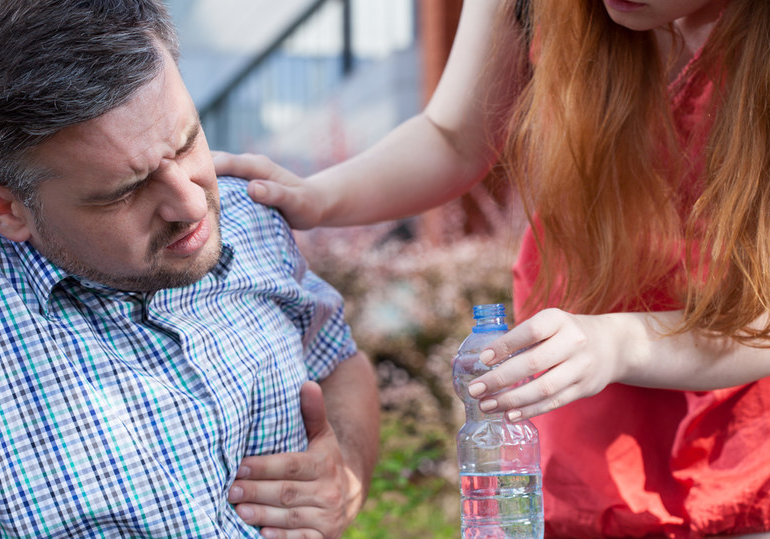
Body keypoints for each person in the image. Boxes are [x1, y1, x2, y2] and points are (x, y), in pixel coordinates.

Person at [213, 0, 770, 536]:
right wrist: (318, 197)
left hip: (737, 435)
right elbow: (454, 138)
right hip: (579, 424)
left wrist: (622, 343)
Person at [0, 1, 379, 538]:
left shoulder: (249, 217)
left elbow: (339, 362)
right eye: (126, 191)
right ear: (3, 207)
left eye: (187, 143)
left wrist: (342, 479)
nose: (194, 205)